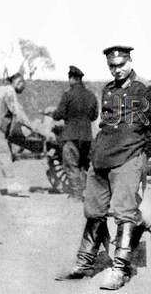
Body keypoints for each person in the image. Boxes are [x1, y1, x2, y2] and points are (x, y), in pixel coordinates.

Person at [56, 46, 151, 290]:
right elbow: (105, 123)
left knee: (124, 212)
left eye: (121, 65)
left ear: (130, 62)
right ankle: (83, 264)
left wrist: (142, 153)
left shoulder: (145, 91)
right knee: (93, 210)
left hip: (128, 157)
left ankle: (119, 269)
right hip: (102, 157)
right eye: (112, 66)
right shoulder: (108, 90)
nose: (117, 70)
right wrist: (96, 153)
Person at [49, 65, 98, 201]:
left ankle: (76, 195)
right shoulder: (91, 95)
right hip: (87, 137)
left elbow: (59, 114)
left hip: (71, 136)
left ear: (72, 79)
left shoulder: (68, 95)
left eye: (69, 78)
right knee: (84, 165)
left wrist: (53, 114)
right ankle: (87, 193)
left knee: (71, 165)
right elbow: (94, 116)